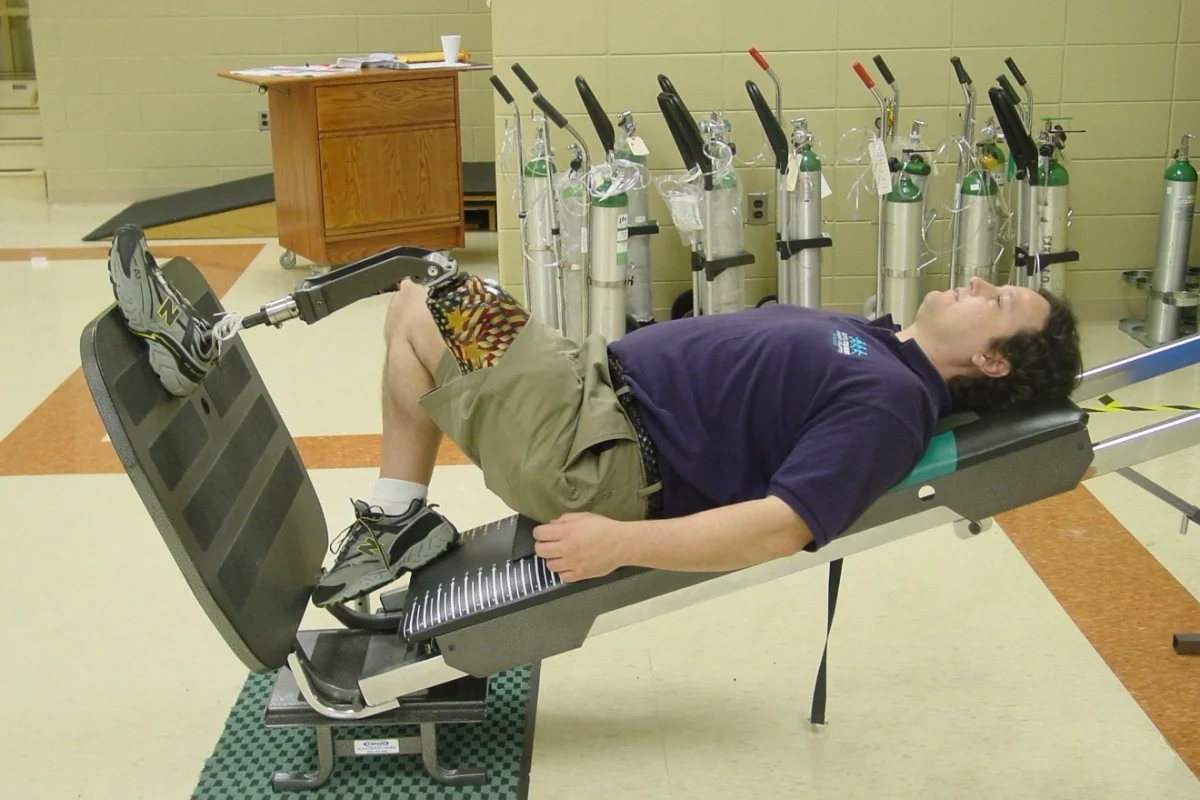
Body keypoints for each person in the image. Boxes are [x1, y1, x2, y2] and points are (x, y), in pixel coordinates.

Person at [107, 226, 1082, 609]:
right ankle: (395, 512)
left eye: (997, 301)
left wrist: (622, 539)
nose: (980, 281)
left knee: (421, 302)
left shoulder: (889, 400)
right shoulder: (884, 347)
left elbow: (788, 522)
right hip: (586, 388)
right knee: (425, 297)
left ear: (989, 359)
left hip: (597, 447)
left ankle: (217, 344)